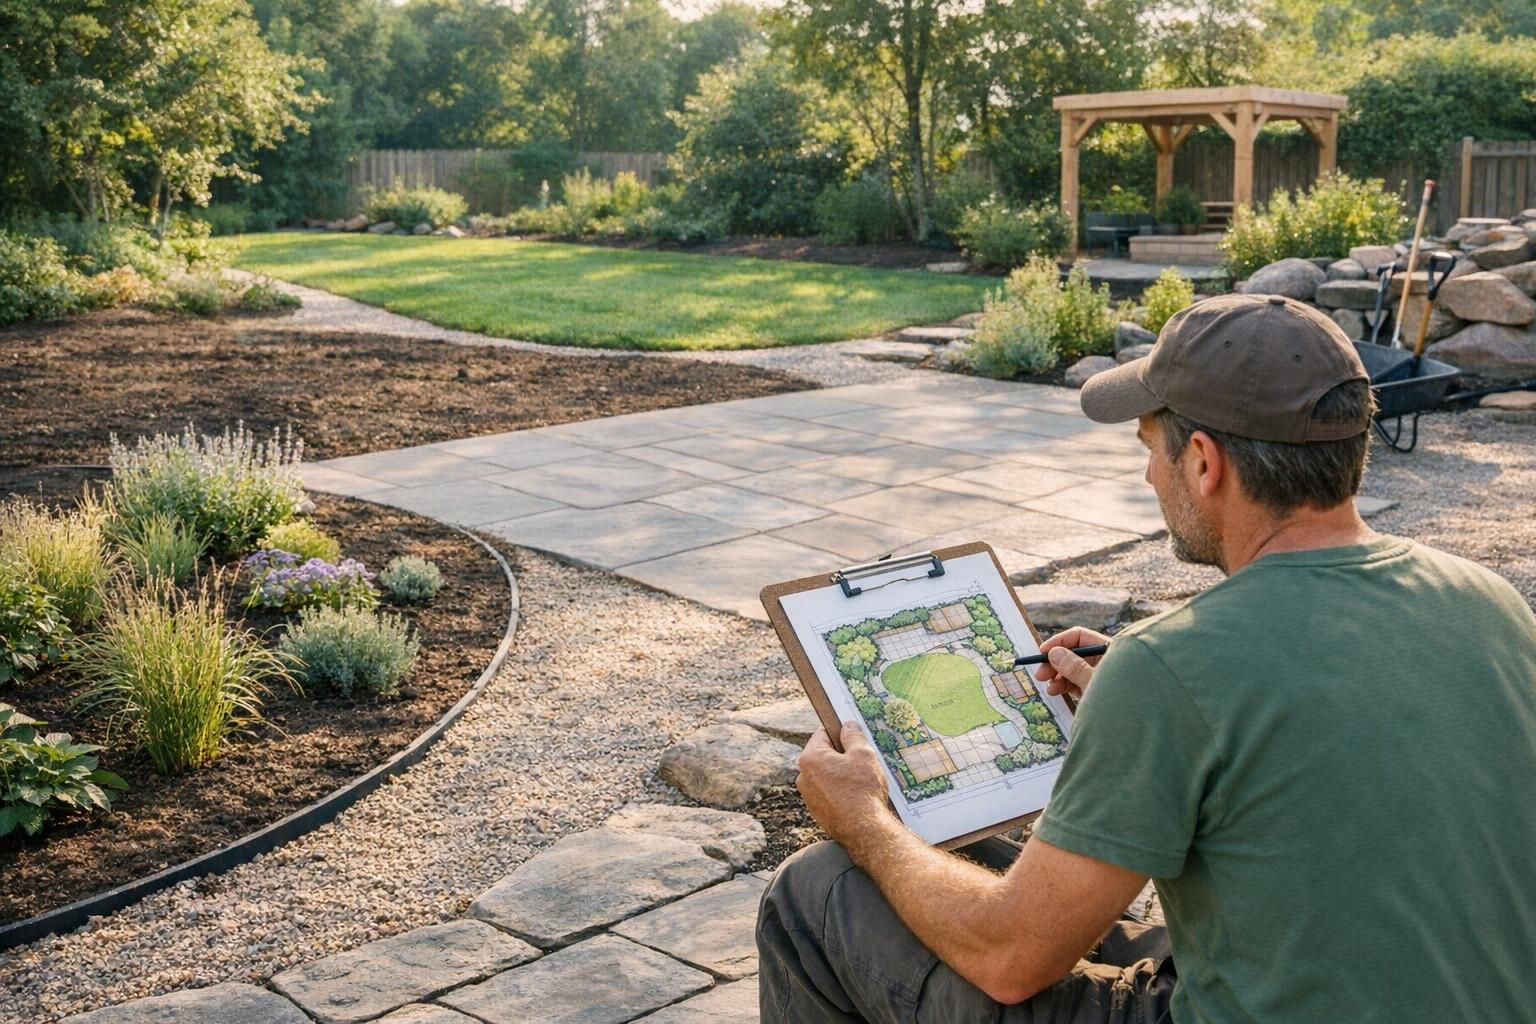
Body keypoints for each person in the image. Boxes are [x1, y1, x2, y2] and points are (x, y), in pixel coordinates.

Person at [757, 293, 1536, 1023]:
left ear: (1204, 462)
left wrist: (860, 816)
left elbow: (1011, 960)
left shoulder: (1172, 667)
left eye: (1149, 448)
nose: (1146, 473)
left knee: (816, 891)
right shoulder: (1490, 600)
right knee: (982, 855)